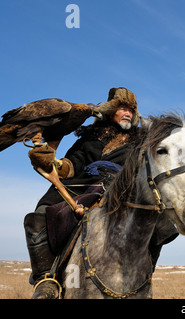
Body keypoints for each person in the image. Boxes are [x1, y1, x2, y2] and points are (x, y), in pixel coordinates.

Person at [23, 87, 142, 299]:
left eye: (131, 110)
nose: (128, 114)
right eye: (123, 108)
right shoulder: (89, 138)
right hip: (82, 184)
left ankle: (142, 278)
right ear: (111, 110)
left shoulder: (140, 141)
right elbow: (72, 165)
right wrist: (53, 162)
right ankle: (45, 280)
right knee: (40, 213)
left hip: (120, 187)